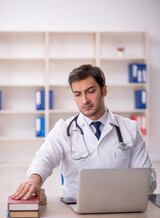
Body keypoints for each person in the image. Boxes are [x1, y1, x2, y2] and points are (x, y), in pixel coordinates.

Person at [11, 64, 157, 203]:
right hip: (75, 209)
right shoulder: (63, 129)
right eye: (77, 94)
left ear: (104, 90)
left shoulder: (130, 129)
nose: (84, 100)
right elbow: (44, 159)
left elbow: (148, 178)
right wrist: (34, 180)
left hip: (122, 208)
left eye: (90, 91)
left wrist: (129, 193)